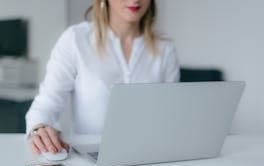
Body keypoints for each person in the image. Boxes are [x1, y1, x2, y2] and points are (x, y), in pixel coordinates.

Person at [26, 0, 179, 155]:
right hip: (90, 157)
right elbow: (46, 104)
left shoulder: (165, 48)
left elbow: (172, 115)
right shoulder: (76, 39)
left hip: (148, 156)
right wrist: (39, 129)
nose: (135, 0)